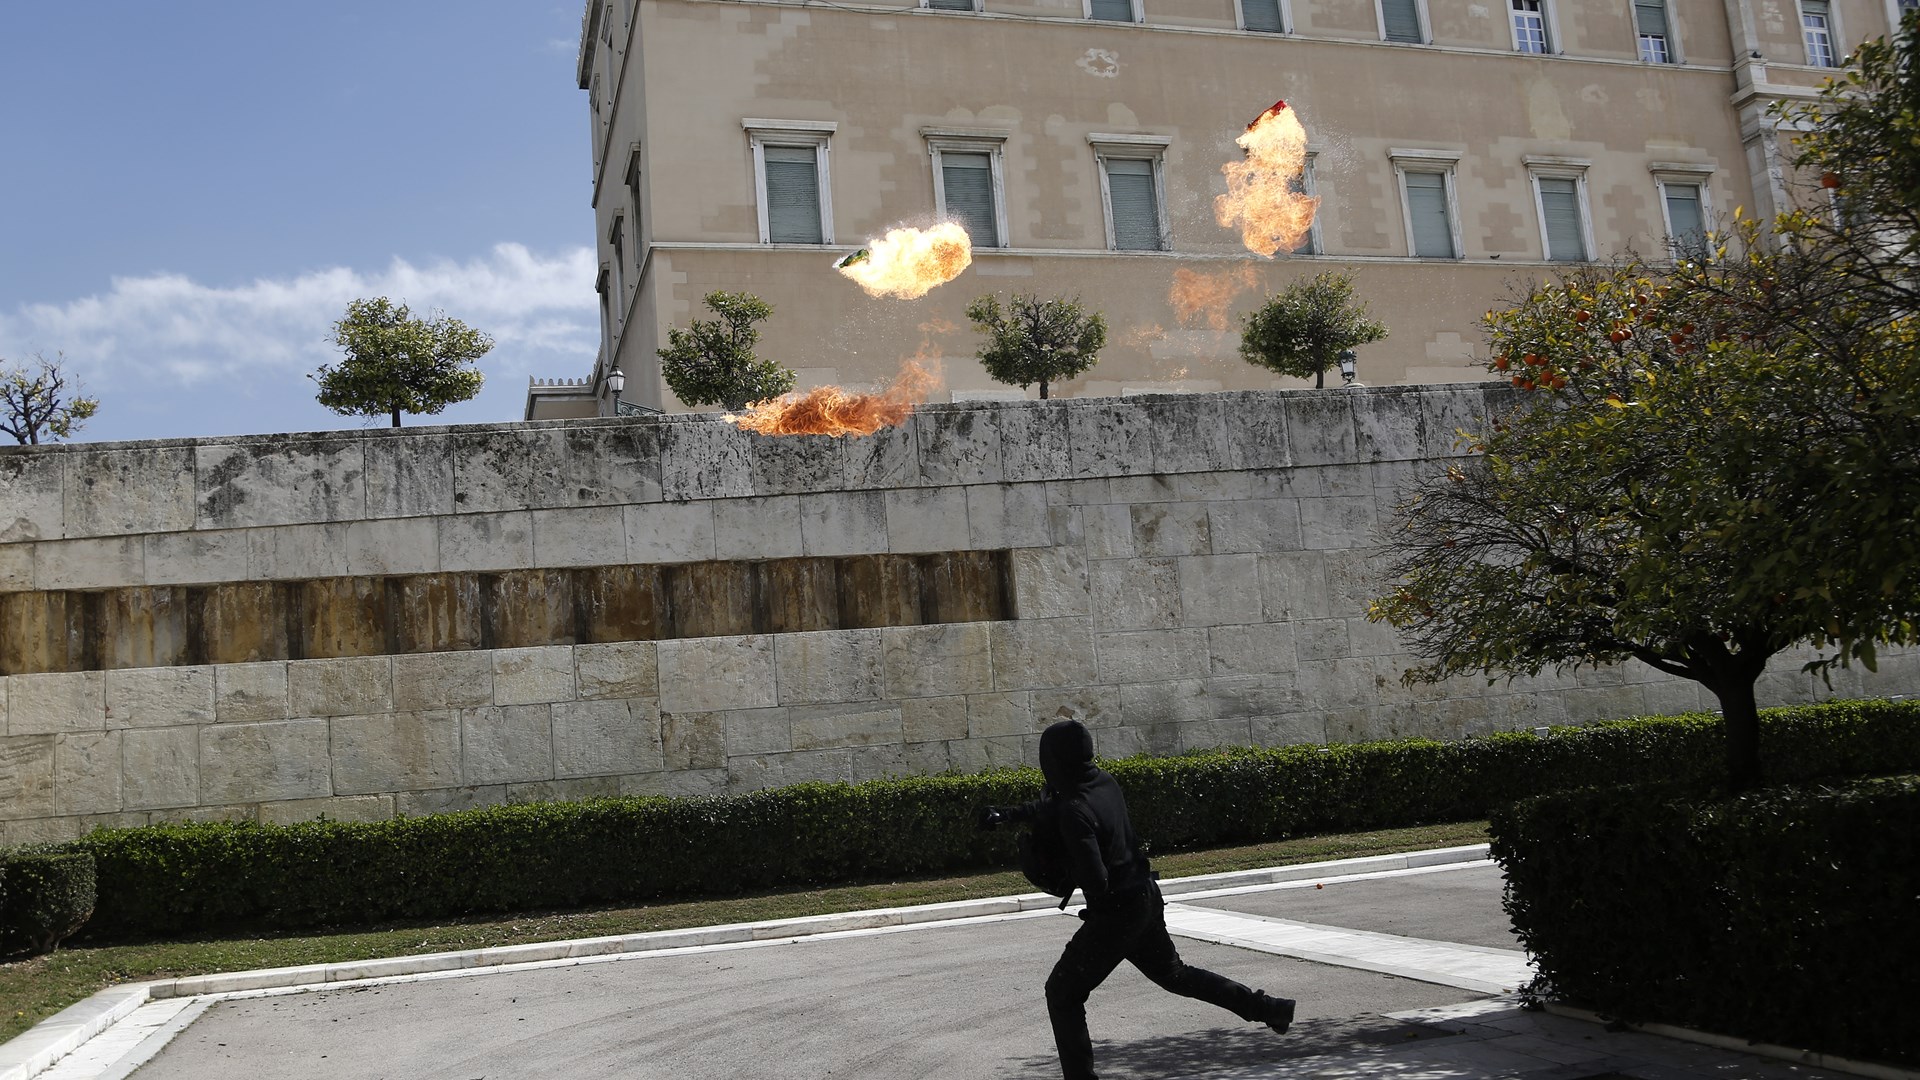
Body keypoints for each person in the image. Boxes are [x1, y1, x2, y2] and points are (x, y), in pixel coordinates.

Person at [980, 719, 1296, 1080]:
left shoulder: (1074, 811)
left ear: (1052, 759)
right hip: (1145, 895)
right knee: (1175, 975)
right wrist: (1007, 815)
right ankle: (1269, 1008)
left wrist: (1053, 867)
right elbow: (1049, 808)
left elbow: (1095, 881)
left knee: (1062, 993)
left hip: (1116, 913)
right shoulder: (1101, 782)